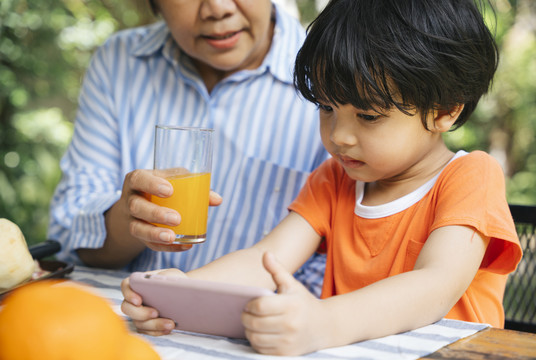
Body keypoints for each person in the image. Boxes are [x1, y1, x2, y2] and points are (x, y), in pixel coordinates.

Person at [121, 0, 523, 356]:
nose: (338, 136)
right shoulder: (335, 179)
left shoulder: (471, 176)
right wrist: (185, 290)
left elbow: (434, 286)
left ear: (445, 110)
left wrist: (323, 323)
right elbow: (266, 258)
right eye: (327, 108)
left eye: (367, 116)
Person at [47, 0, 329, 295]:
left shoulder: (331, 75)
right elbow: (70, 239)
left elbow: (329, 275)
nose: (218, 9)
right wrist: (129, 217)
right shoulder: (119, 62)